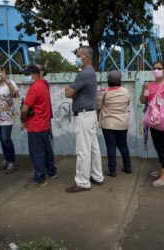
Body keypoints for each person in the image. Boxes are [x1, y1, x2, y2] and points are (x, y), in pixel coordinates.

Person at [65, 46, 104, 193]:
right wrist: (73, 92)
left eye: (79, 55)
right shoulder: (90, 72)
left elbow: (69, 93)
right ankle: (97, 175)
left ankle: (82, 182)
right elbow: (73, 92)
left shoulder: (84, 74)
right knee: (93, 148)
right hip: (89, 114)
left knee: (83, 151)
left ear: (87, 57)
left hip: (84, 115)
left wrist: (71, 91)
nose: (76, 57)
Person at [20, 64, 57, 187]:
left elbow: (25, 109)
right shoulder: (43, 84)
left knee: (37, 153)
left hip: (35, 125)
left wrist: (22, 119)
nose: (24, 77)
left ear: (33, 74)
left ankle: (40, 178)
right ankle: (52, 172)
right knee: (46, 150)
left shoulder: (34, 87)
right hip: (44, 124)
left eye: (26, 75)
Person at [97, 70, 132, 177]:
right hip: (122, 123)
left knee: (111, 147)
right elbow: (127, 103)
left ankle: (112, 170)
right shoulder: (125, 91)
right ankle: (128, 167)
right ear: (120, 80)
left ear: (109, 81)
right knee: (123, 146)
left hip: (108, 124)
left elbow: (97, 106)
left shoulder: (104, 91)